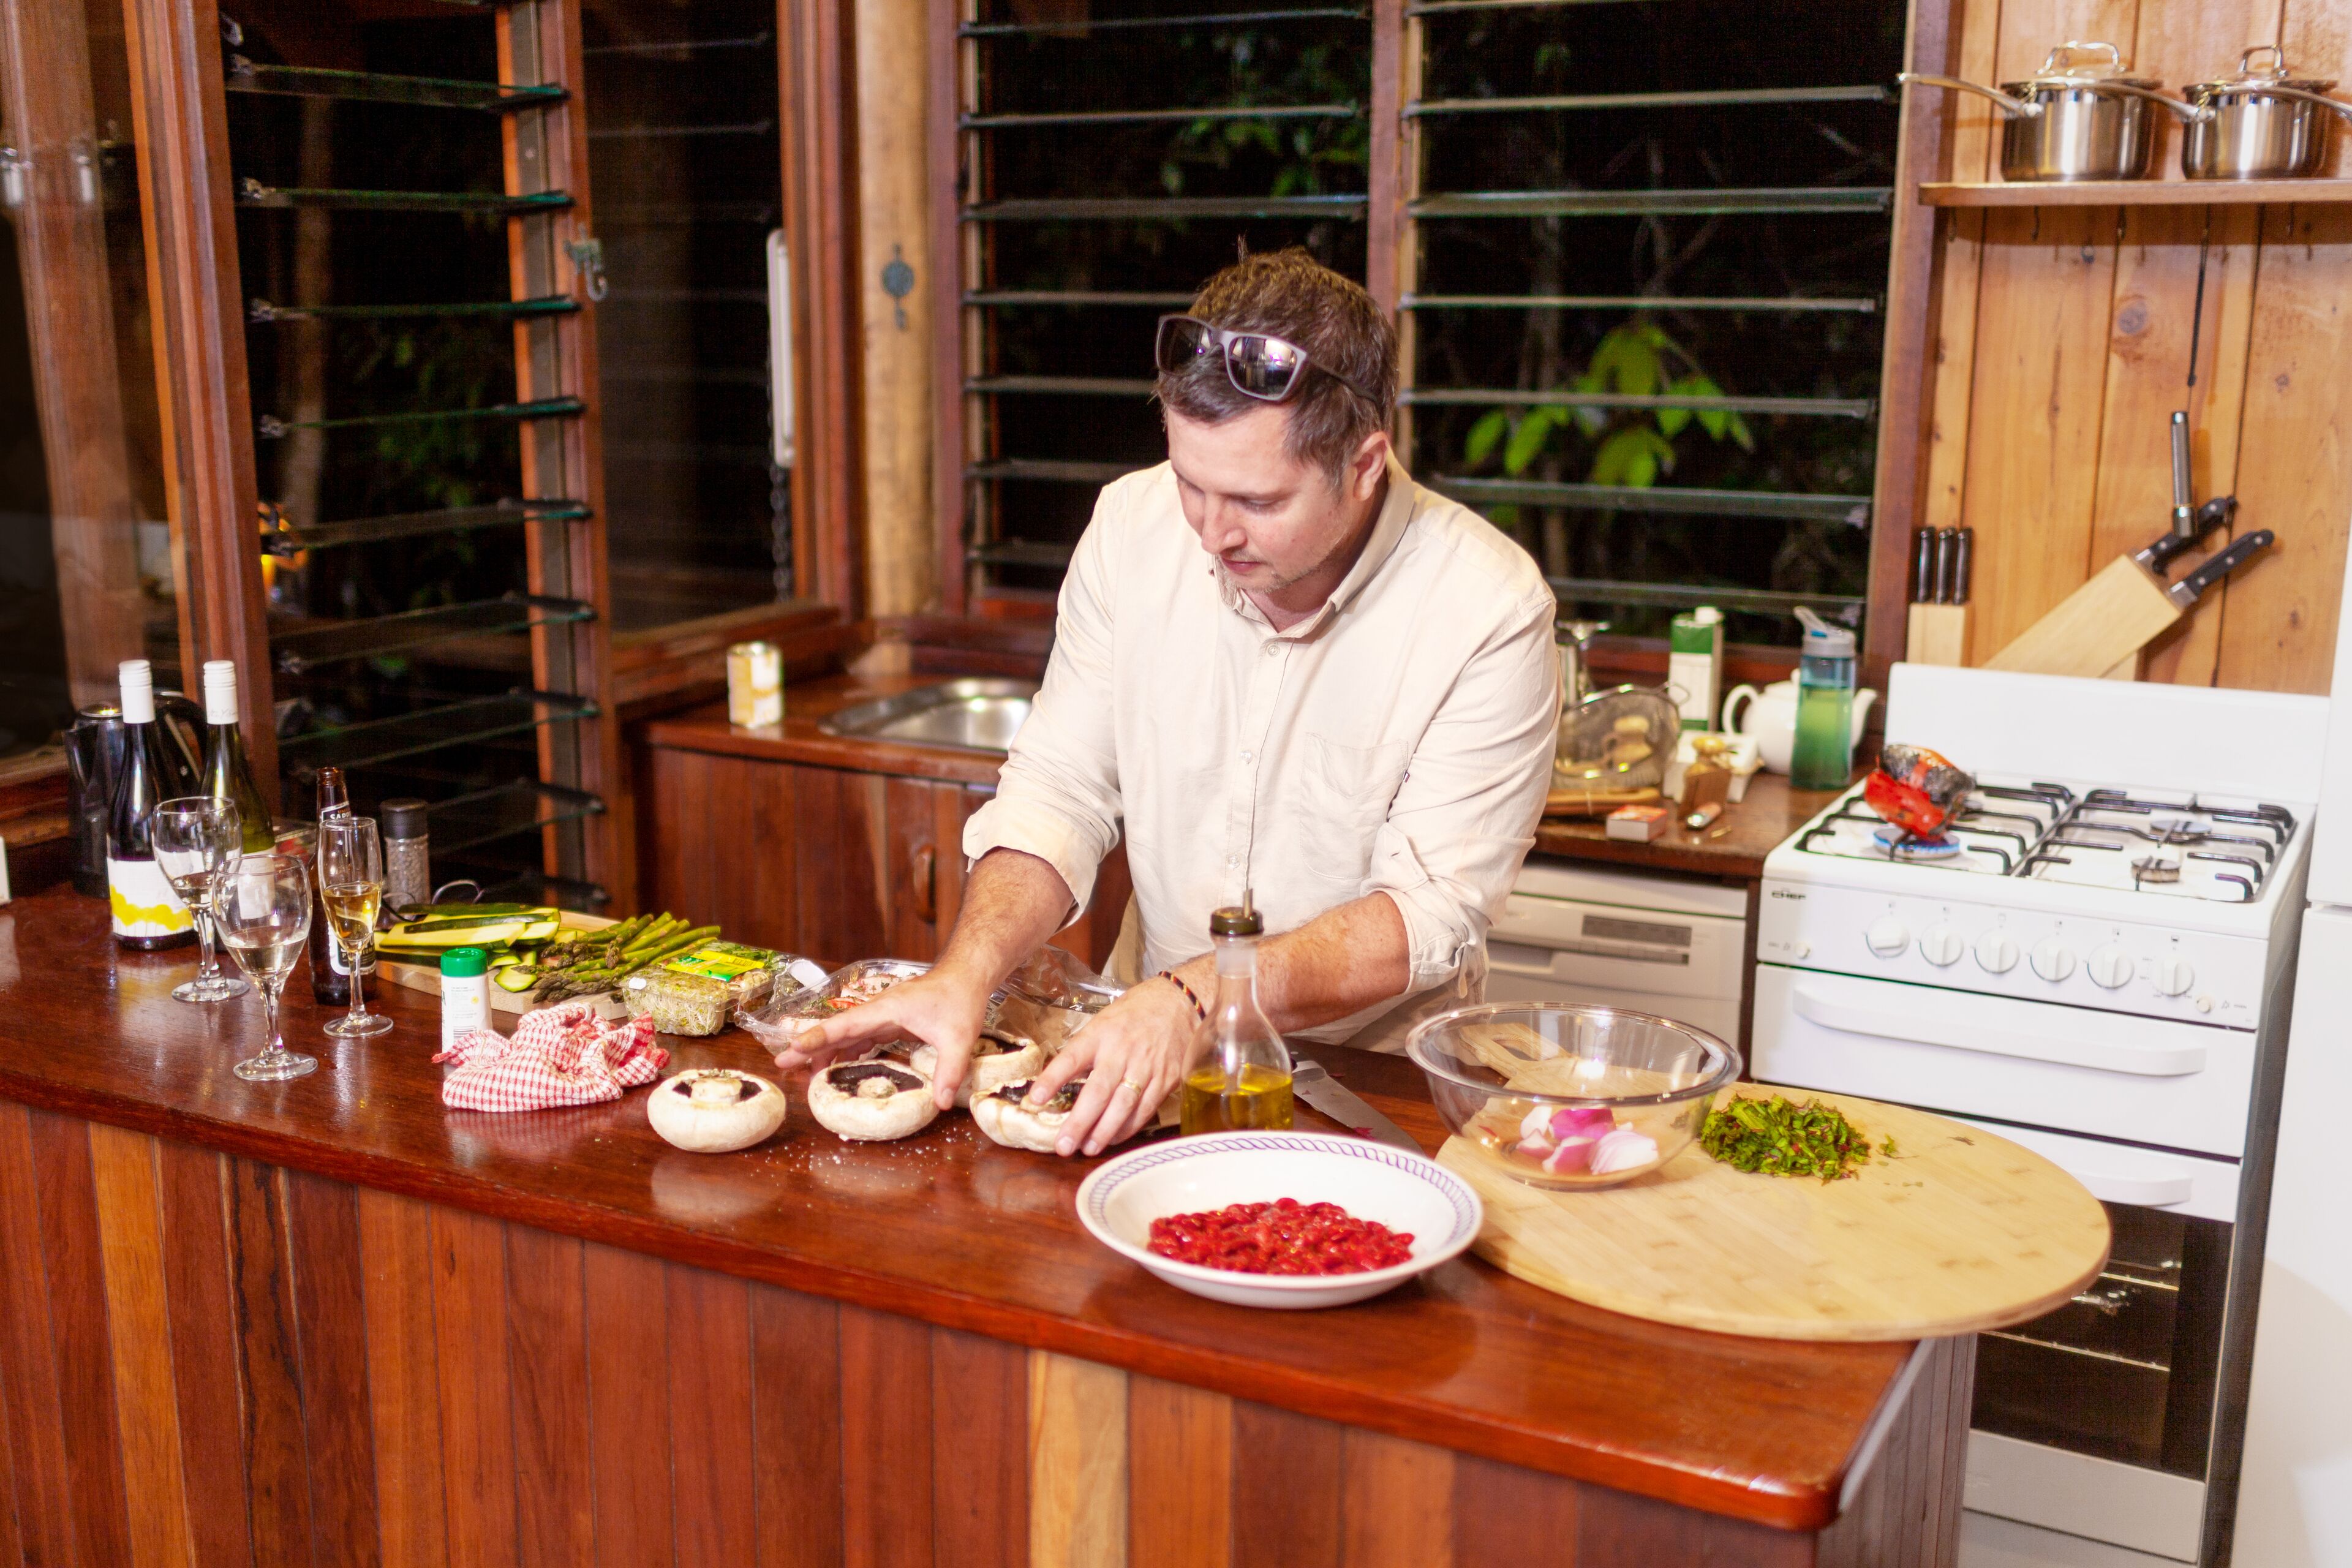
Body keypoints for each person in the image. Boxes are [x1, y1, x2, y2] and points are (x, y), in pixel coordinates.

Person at [780, 248, 1558, 1155]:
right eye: (1191, 482)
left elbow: (1427, 913)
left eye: (1257, 501)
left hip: (1371, 1081)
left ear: (1364, 465)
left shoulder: (1488, 607)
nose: (1212, 530)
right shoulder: (1131, 527)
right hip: (1138, 1047)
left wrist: (1198, 995)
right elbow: (1062, 787)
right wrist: (968, 970)